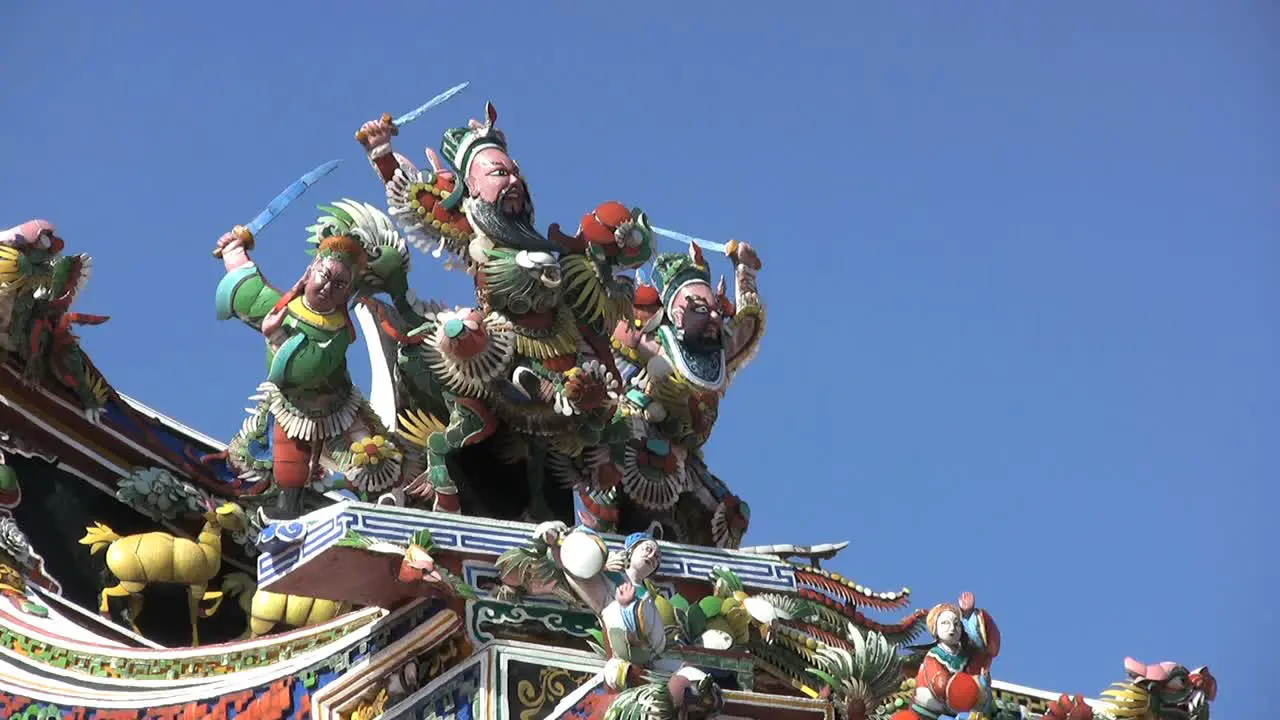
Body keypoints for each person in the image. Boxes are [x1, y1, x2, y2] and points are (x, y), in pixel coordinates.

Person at [214, 230, 402, 520]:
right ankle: (289, 506)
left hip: (336, 407)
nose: (328, 287)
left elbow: (306, 369)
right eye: (324, 276)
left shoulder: (337, 335)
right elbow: (249, 295)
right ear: (311, 270)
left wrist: (275, 335)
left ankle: (385, 501)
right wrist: (234, 251)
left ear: (348, 292)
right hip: (292, 407)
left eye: (339, 285)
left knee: (370, 454)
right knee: (288, 461)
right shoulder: (286, 306)